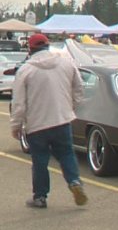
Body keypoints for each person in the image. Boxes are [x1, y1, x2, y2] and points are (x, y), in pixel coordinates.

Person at [8, 34, 88, 209]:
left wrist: (16, 125)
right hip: (62, 119)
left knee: (40, 161)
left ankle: (40, 196)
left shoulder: (26, 70)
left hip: (37, 123)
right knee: (66, 153)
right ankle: (74, 181)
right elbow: (79, 87)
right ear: (48, 45)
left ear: (30, 48)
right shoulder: (66, 62)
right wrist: (72, 106)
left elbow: (19, 102)